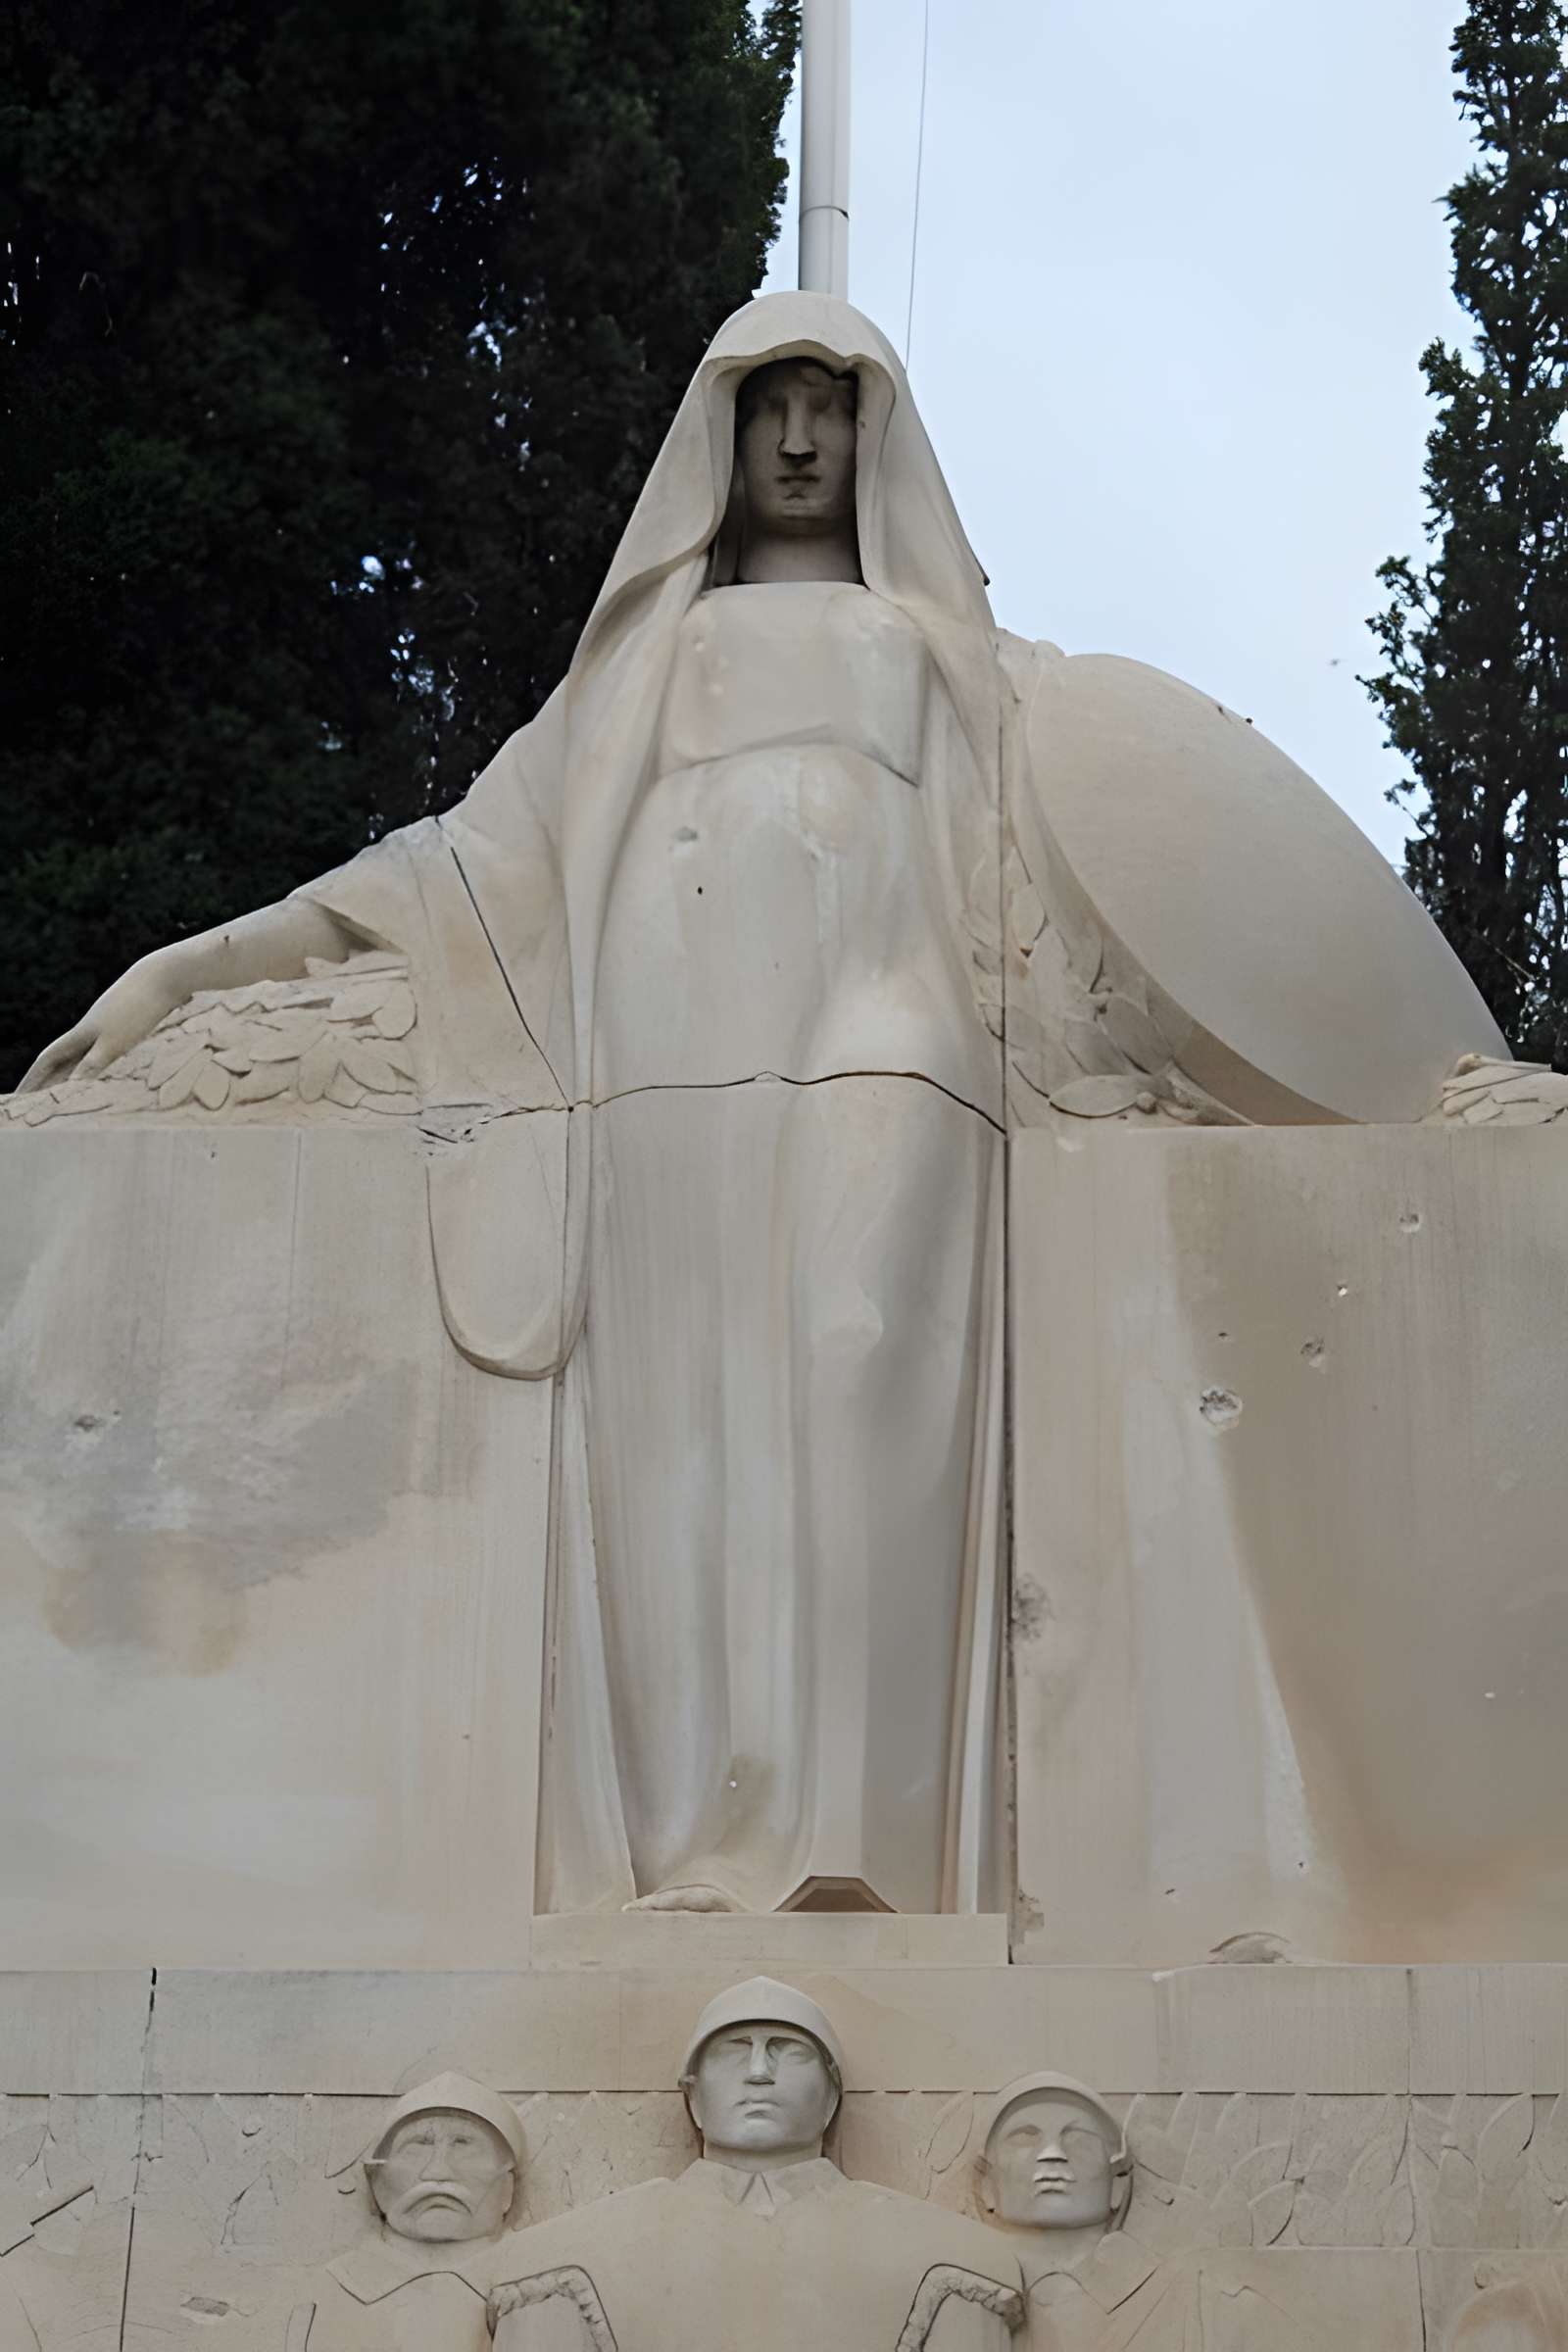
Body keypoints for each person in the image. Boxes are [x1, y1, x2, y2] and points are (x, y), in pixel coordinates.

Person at [484, 1977, 1024, 2351]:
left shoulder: (953, 2266)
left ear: (833, 2096)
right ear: (692, 2098)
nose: (760, 2071)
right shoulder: (561, 2266)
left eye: (787, 2049)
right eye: (734, 2049)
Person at [291, 2072, 526, 2352]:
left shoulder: (545, 2283)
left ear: (508, 2184)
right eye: (416, 2148)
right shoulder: (329, 2292)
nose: (437, 2171)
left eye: (464, 2146)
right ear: (376, 2179)